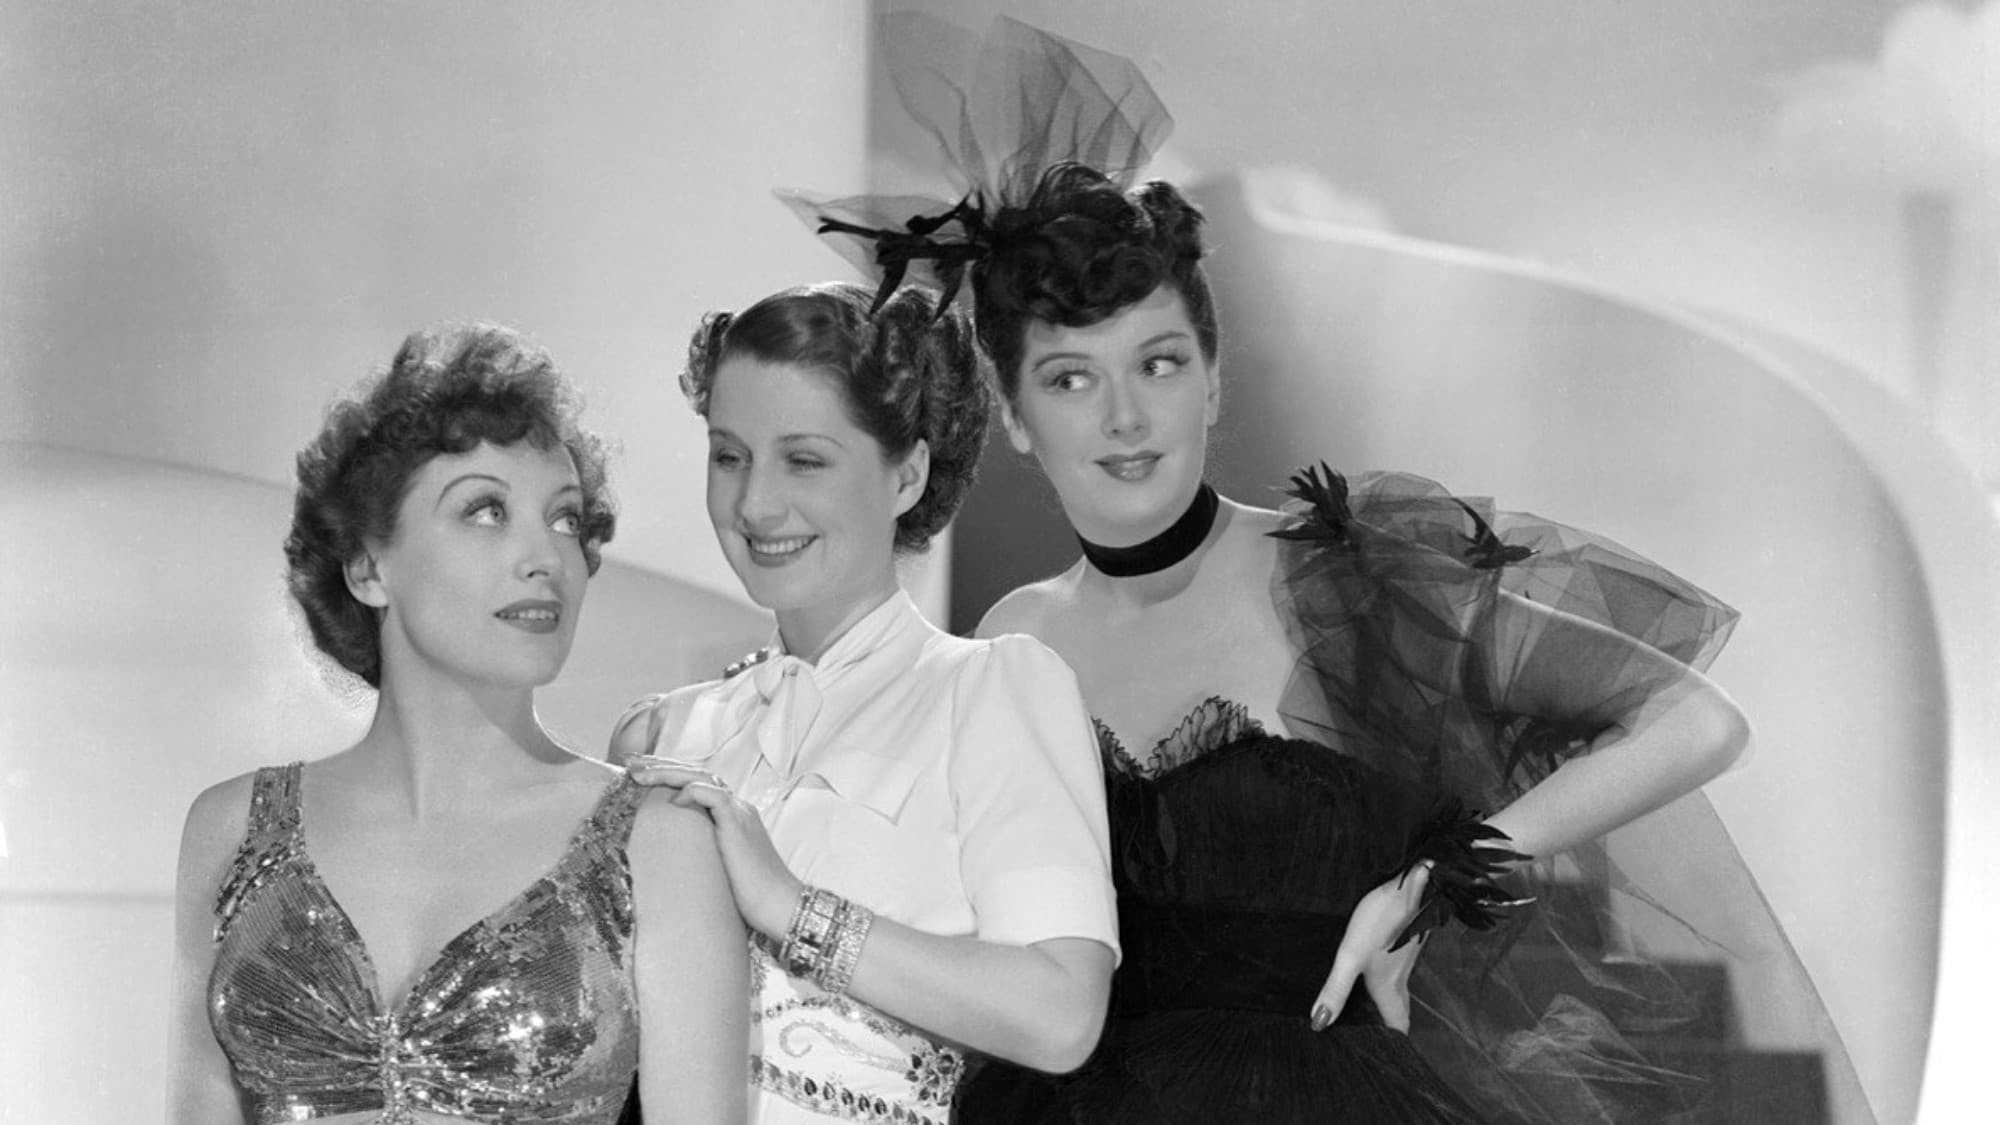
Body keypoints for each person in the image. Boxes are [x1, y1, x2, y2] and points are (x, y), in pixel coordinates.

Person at [796, 16, 1879, 1125]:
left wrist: (1431, 881)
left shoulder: (1343, 576)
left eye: (1158, 363)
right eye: (1071, 379)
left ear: (1212, 381)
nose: (1123, 416)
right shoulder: (1009, 637)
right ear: (1018, 418)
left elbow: (1695, 720)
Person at [168, 324, 748, 1124]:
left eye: (566, 520)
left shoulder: (657, 841)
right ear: (368, 566)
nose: (545, 556)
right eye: (486, 510)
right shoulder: (231, 829)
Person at [611, 282, 1119, 1125]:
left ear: (907, 474)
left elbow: (1061, 1013)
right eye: (729, 456)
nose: (755, 503)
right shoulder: (665, 733)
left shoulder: (989, 690)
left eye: (804, 460)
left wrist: (790, 906)